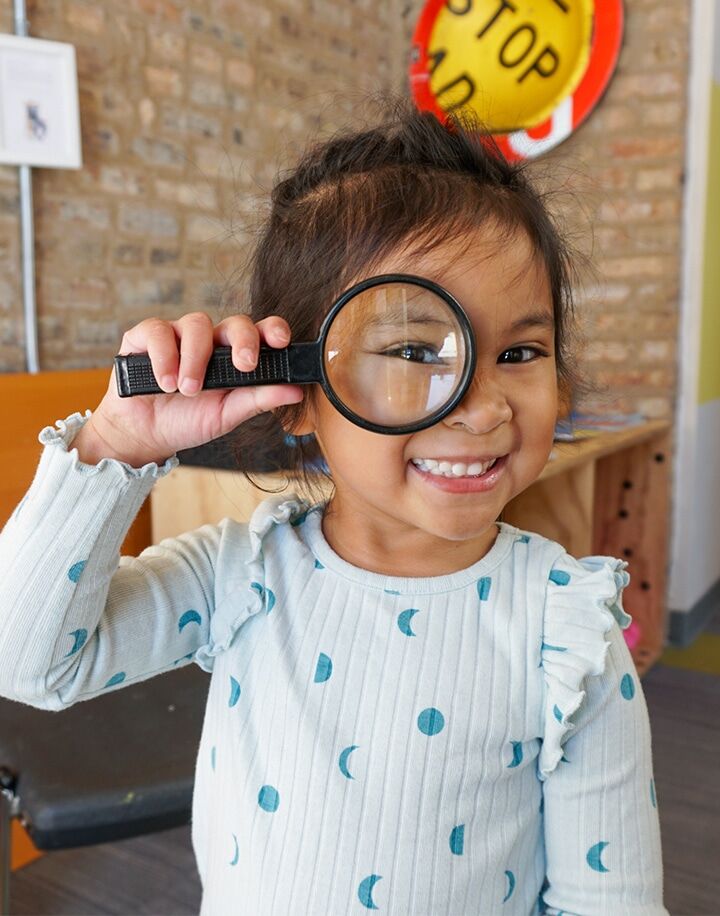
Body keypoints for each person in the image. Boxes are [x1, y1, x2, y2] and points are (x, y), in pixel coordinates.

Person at [0, 97, 667, 915]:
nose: (485, 404)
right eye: (416, 350)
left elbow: (612, 902)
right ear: (298, 391)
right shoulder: (236, 575)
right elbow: (26, 663)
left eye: (521, 351)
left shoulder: (569, 636)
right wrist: (113, 446)